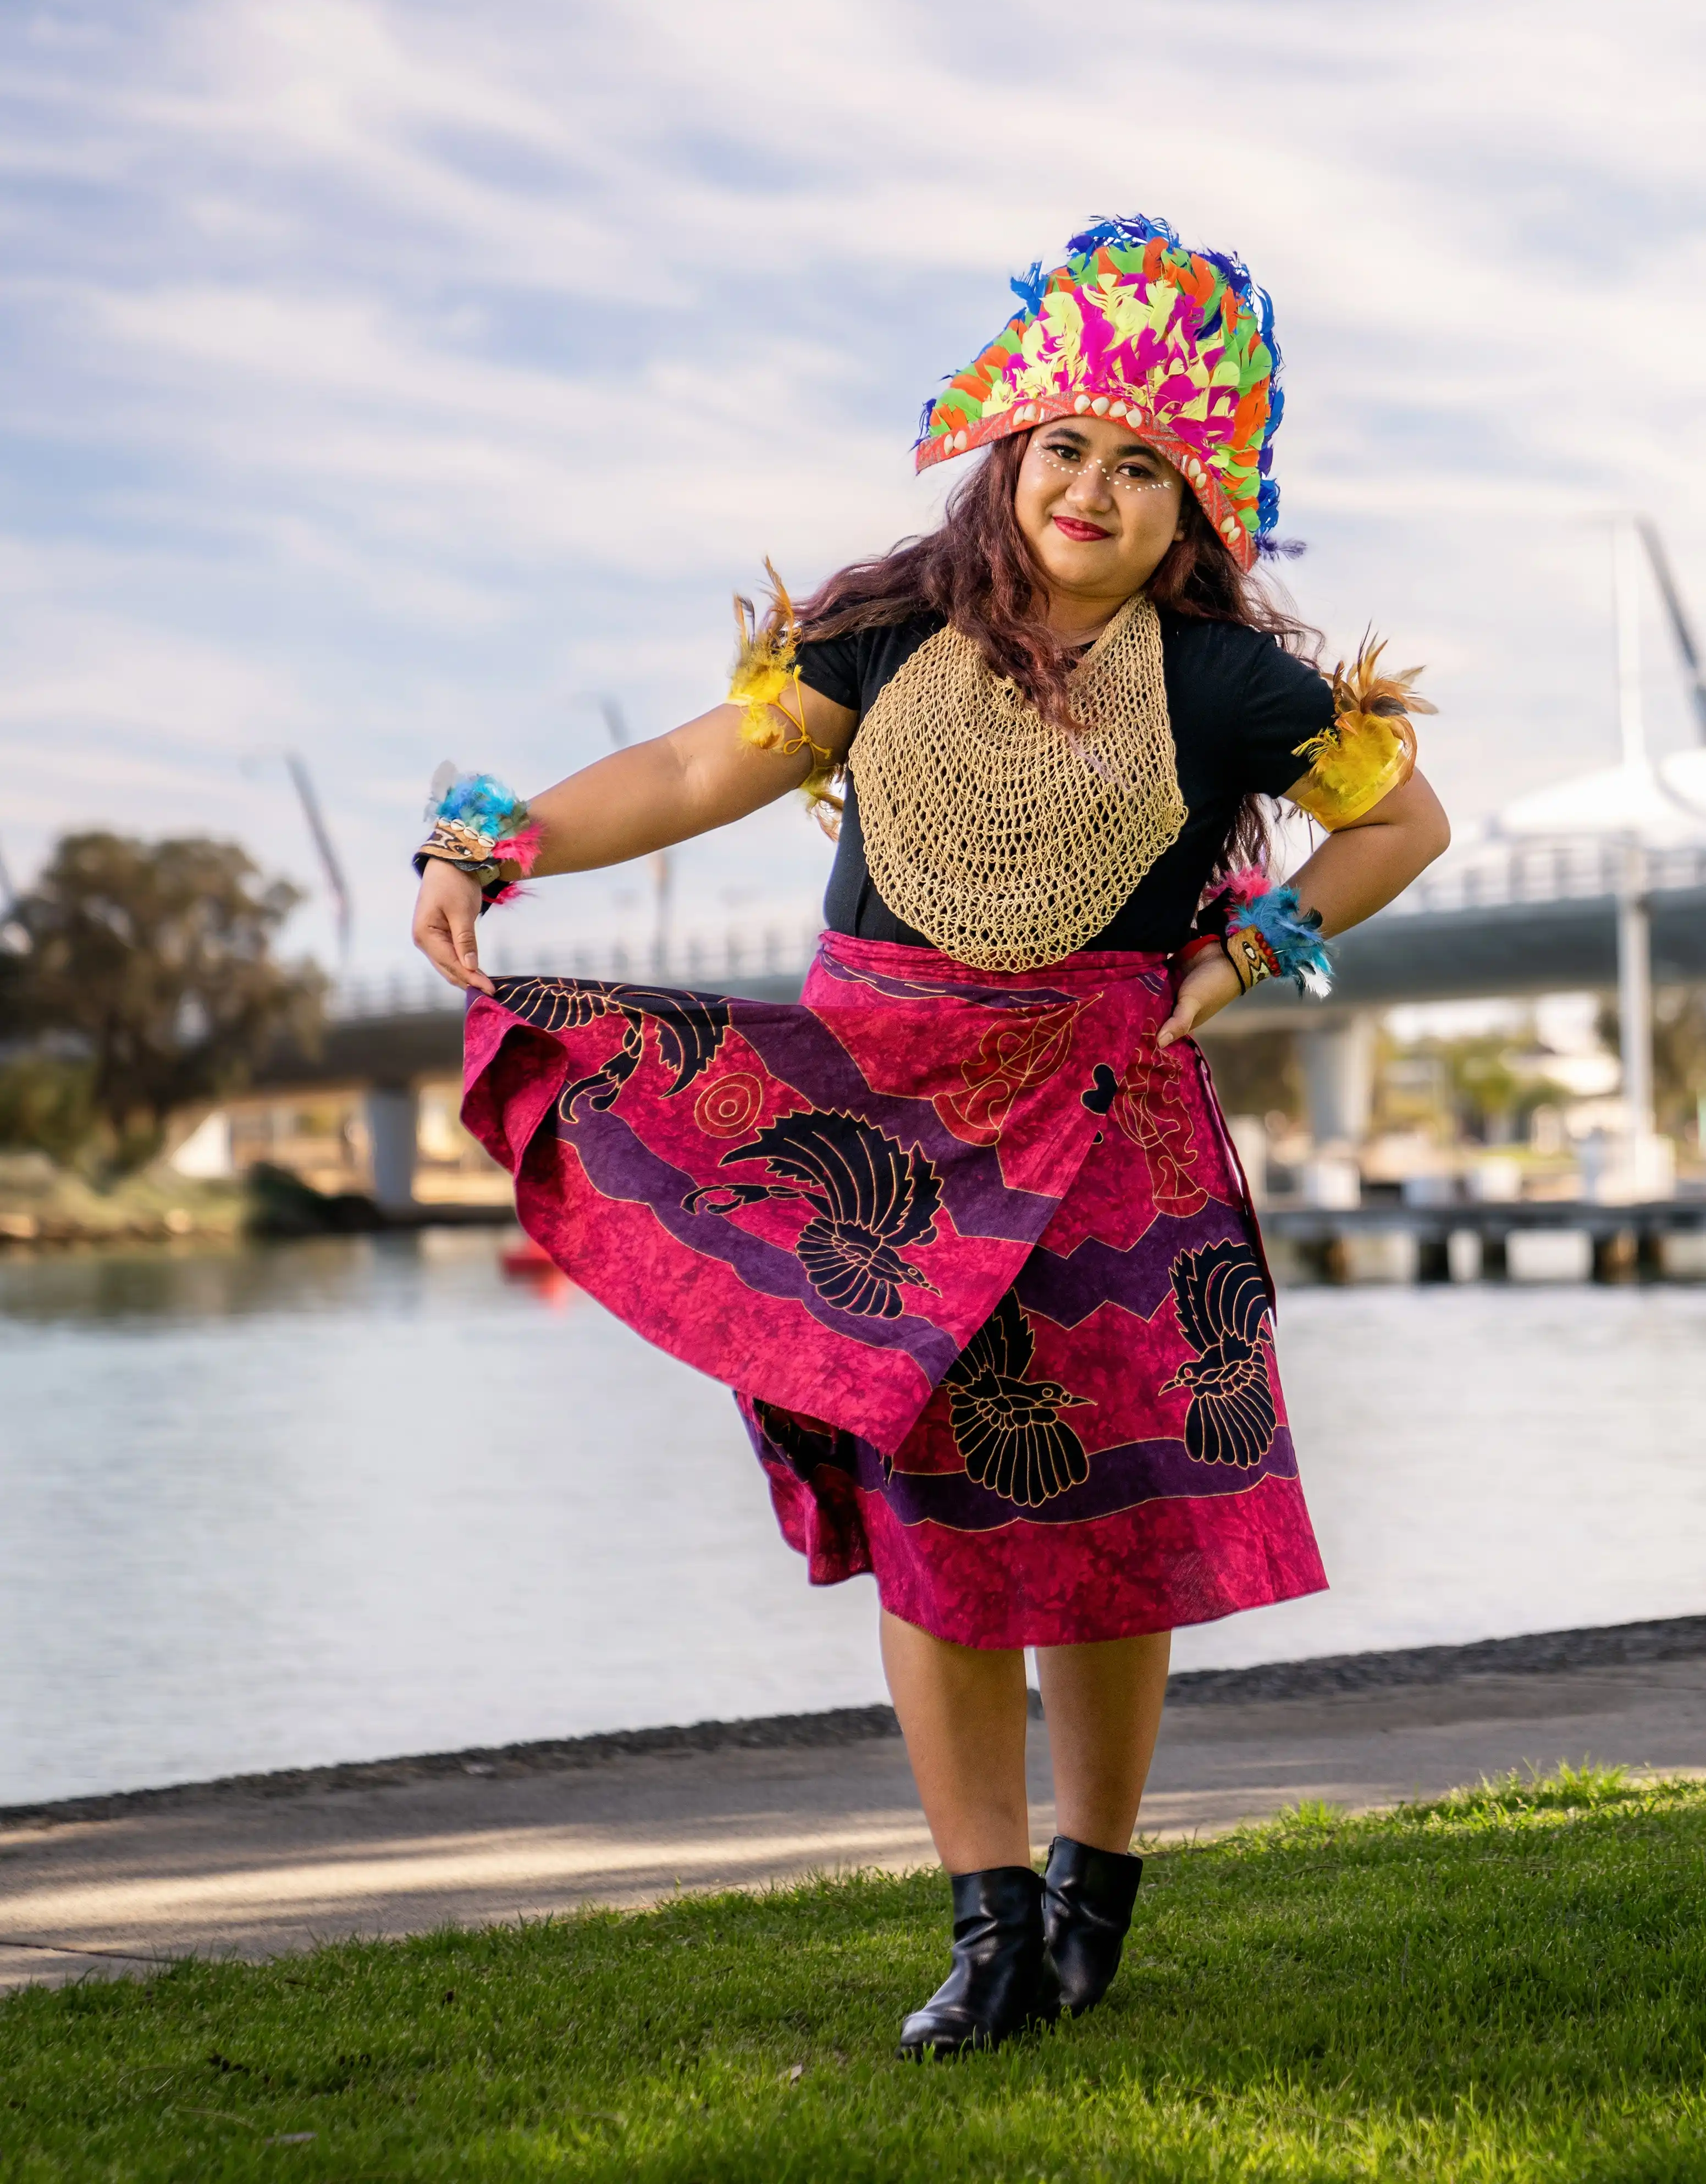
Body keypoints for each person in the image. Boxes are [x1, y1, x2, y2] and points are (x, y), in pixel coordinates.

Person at [407, 217, 1448, 2056]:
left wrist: (1241, 953)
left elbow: (1404, 827)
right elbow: (688, 770)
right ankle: (984, 1929)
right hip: (883, 1121)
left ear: (1193, 510)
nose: (1094, 490)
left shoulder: (1228, 686)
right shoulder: (883, 627)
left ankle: (1089, 1899)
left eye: (1145, 469)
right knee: (940, 1524)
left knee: (1118, 1523)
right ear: (1009, 449)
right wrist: (498, 844)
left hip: (1110, 1130)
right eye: (1068, 447)